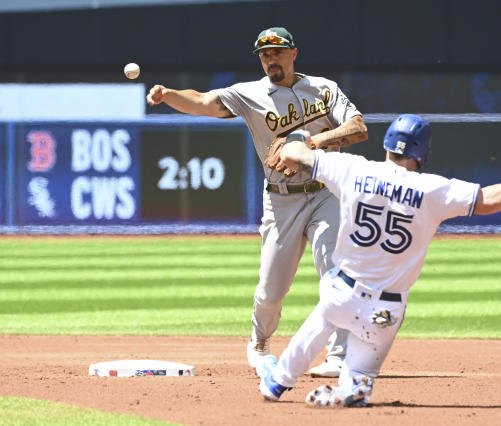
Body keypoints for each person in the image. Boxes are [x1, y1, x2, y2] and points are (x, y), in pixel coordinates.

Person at [255, 114, 501, 406]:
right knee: (360, 374)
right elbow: (494, 200)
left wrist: (303, 136)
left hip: (343, 295)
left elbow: (294, 152)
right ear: (423, 154)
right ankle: (355, 387)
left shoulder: (351, 168)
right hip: (386, 312)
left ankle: (278, 380)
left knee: (324, 317)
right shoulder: (434, 189)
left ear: (387, 144)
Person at [146, 26, 368, 377]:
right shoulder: (249, 94)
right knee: (270, 289)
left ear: (293, 54)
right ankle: (260, 342)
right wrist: (170, 94)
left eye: (277, 52)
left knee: (335, 272)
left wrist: (313, 142)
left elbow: (358, 128)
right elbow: (205, 102)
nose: (270, 59)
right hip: (282, 201)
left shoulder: (325, 89)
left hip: (328, 192)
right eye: (264, 55)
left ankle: (339, 356)